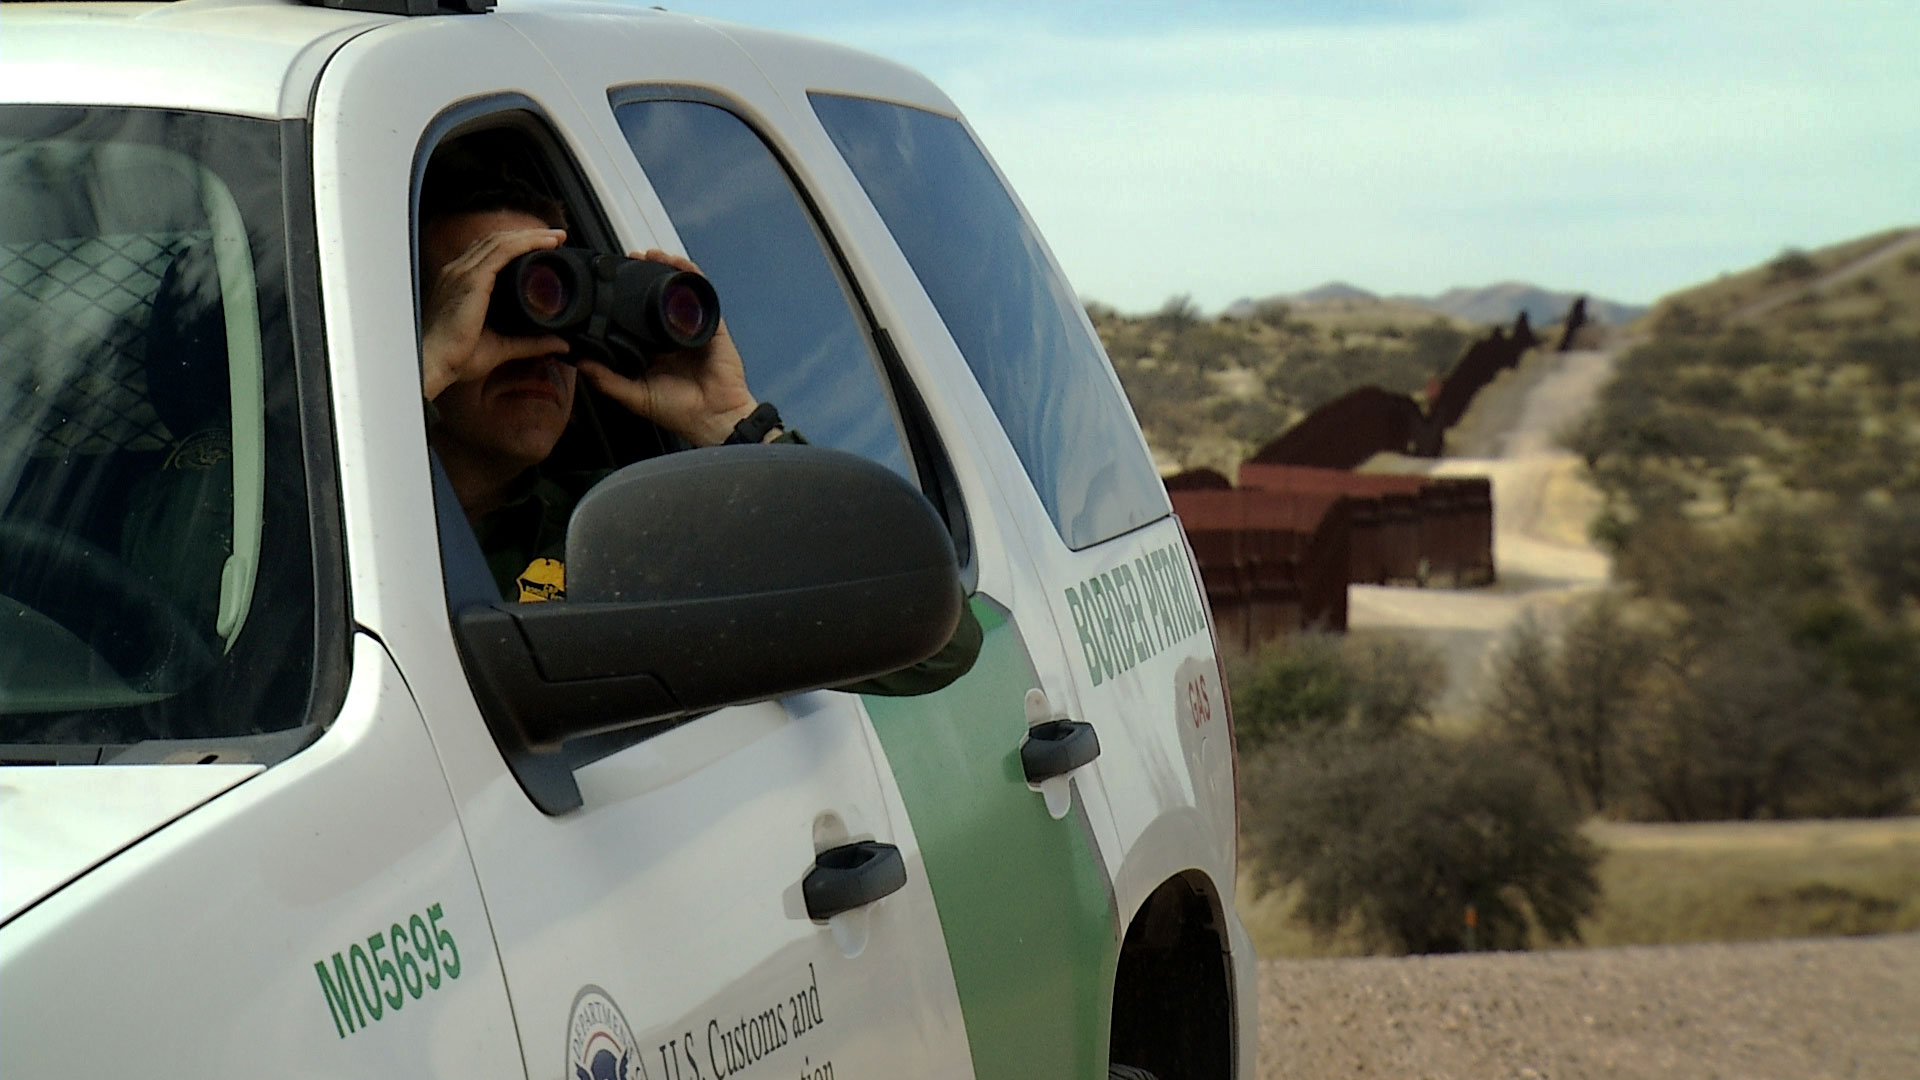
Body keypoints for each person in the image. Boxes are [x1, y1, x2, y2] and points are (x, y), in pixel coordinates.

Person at [418, 168, 979, 693]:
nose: (541, 344)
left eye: (557, 296)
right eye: (499, 301)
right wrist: (420, 374)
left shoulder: (618, 531)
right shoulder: (340, 526)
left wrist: (731, 422)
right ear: (426, 319)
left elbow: (933, 642)